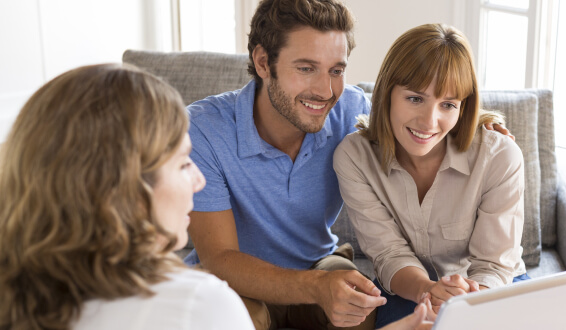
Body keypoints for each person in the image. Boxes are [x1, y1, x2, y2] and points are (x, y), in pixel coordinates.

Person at [184, 0, 512, 329]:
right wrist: (314, 288)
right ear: (263, 62)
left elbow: (409, 120)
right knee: (232, 318)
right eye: (306, 68)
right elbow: (220, 259)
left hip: (318, 264)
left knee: (360, 299)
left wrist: (476, 123)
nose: (326, 91)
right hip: (235, 283)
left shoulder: (347, 108)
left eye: (336, 70)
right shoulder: (204, 130)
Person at [0, 64, 254, 330]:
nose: (199, 181)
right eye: (182, 164)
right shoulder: (200, 305)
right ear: (125, 188)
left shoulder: (16, 295)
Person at [333, 23, 530, 328]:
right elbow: (388, 253)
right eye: (415, 98)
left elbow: (494, 265)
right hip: (409, 290)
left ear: (462, 108)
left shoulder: (499, 156)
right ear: (387, 93)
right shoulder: (354, 157)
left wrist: (466, 303)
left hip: (490, 289)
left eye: (447, 104)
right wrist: (429, 291)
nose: (429, 121)